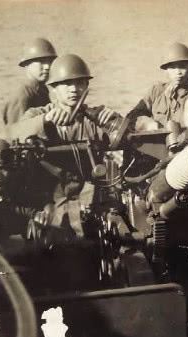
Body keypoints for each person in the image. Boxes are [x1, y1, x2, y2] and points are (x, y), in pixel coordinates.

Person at [7, 54, 119, 235]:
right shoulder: (37, 114)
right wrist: (45, 120)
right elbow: (14, 133)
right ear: (54, 88)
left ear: (87, 86)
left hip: (89, 200)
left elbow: (125, 138)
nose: (74, 89)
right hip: (49, 202)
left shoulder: (94, 118)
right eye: (66, 84)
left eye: (80, 83)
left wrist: (114, 121)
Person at [126, 43, 188, 130]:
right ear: (166, 70)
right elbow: (133, 115)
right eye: (173, 68)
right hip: (156, 137)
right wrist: (148, 124)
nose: (178, 72)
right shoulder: (156, 91)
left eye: (182, 67)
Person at [3, 38, 57, 125]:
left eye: (50, 61)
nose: (47, 66)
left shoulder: (41, 89)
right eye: (41, 61)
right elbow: (17, 130)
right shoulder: (22, 95)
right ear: (26, 64)